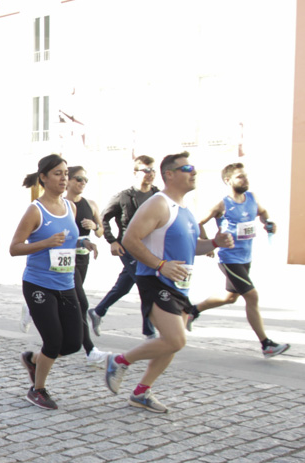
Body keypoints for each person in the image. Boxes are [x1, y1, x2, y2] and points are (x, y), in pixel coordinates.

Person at [105, 152, 234, 412]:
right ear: (169, 175)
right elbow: (131, 239)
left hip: (180, 284)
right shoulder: (158, 204)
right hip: (155, 280)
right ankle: (118, 361)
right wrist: (161, 265)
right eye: (187, 168)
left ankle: (141, 392)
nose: (193, 172)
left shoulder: (184, 209)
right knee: (176, 340)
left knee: (170, 343)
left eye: (194, 167)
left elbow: (192, 246)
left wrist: (214, 243)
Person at [10, 154, 87, 410]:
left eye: (66, 173)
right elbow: (15, 247)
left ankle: (33, 360)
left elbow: (68, 240)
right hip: (39, 283)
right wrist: (44, 243)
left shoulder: (71, 207)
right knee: (53, 341)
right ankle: (37, 389)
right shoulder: (35, 210)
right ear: (43, 177)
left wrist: (84, 243)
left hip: (66, 283)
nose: (64, 178)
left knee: (74, 342)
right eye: (58, 173)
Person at [189, 163, 289, 358]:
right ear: (228, 180)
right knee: (252, 296)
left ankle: (192, 310)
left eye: (245, 176)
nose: (245, 180)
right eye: (240, 177)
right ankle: (266, 344)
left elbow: (263, 213)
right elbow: (199, 221)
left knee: (230, 296)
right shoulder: (223, 204)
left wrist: (268, 224)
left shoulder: (251, 198)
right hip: (229, 258)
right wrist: (209, 243)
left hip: (245, 257)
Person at [89, 156, 159, 339]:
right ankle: (149, 332)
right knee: (146, 284)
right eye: (146, 170)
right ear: (136, 173)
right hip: (129, 247)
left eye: (153, 170)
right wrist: (112, 240)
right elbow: (103, 218)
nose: (150, 174)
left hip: (151, 247)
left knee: (124, 285)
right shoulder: (124, 197)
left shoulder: (158, 196)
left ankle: (98, 312)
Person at [66, 166, 109, 364]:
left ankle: (33, 306)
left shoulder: (91, 205)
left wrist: (95, 226)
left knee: (72, 298)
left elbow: (101, 232)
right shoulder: (62, 204)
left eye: (85, 180)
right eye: (78, 179)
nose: (82, 183)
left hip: (84, 256)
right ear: (68, 180)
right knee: (81, 303)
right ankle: (90, 349)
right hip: (66, 257)